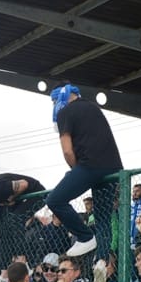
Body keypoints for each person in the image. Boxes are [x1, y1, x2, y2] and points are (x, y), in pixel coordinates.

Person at [47, 84, 123, 258]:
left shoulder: (64, 112)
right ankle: (102, 261)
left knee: (54, 200)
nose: (53, 106)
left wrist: (75, 171)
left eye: (53, 101)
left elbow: (67, 151)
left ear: (61, 98)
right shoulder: (92, 107)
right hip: (113, 167)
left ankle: (85, 236)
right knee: (103, 218)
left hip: (90, 166)